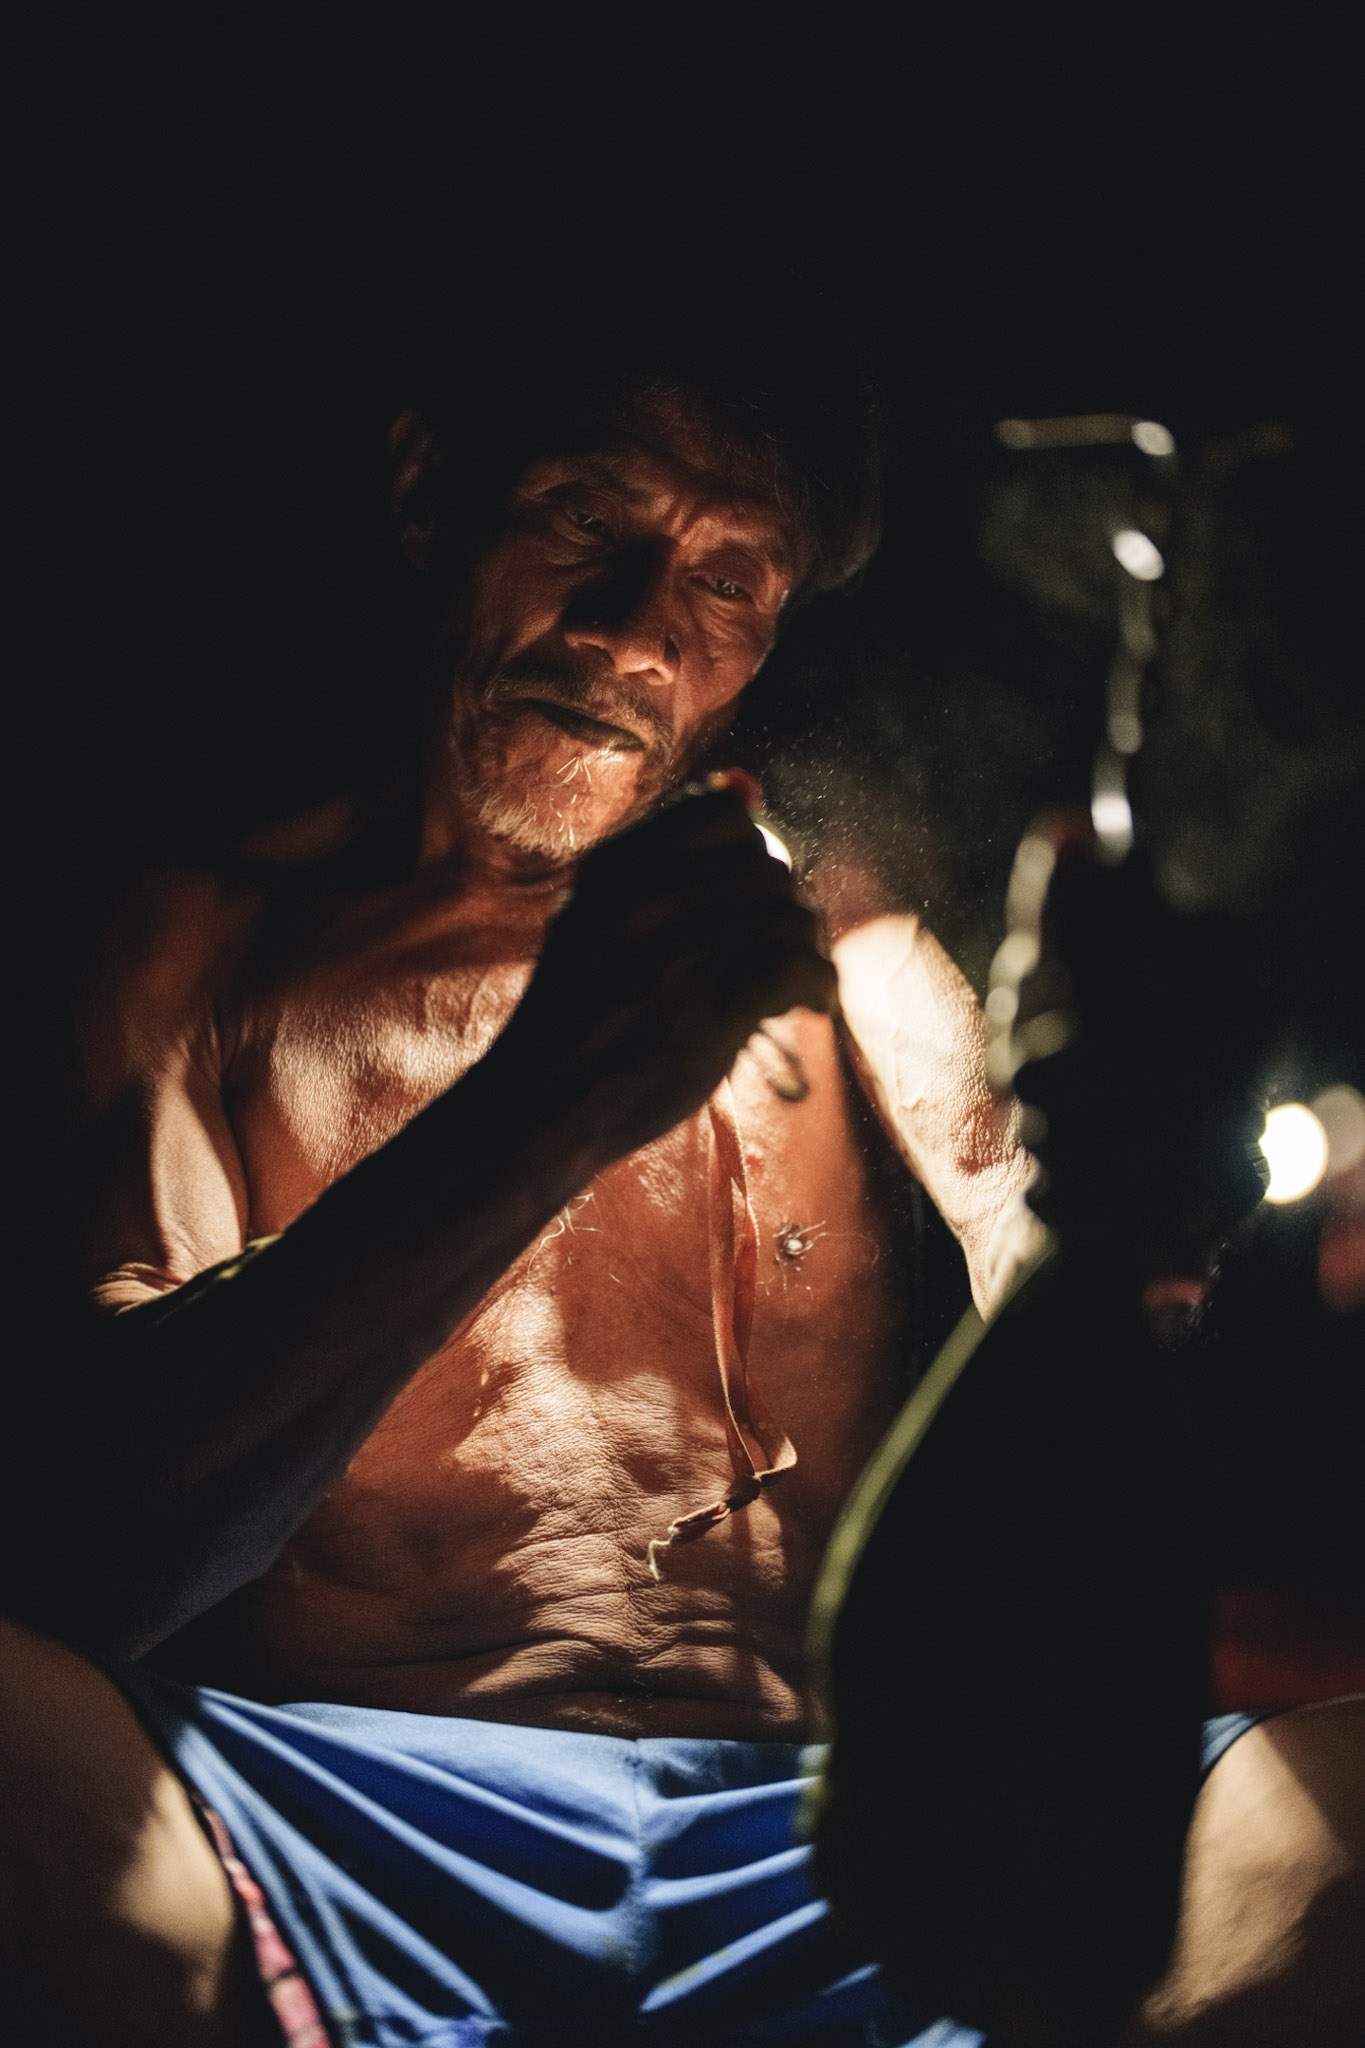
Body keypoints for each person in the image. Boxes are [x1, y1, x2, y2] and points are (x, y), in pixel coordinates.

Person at [0, 295, 1032, 2046]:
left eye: (727, 582)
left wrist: (1133, 1208)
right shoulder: (203, 954)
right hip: (327, 1826)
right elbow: (101, 1553)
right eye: (586, 519)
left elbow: (1099, 1331)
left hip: (842, 1838)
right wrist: (542, 1108)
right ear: (431, 497)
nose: (636, 633)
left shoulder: (853, 945)